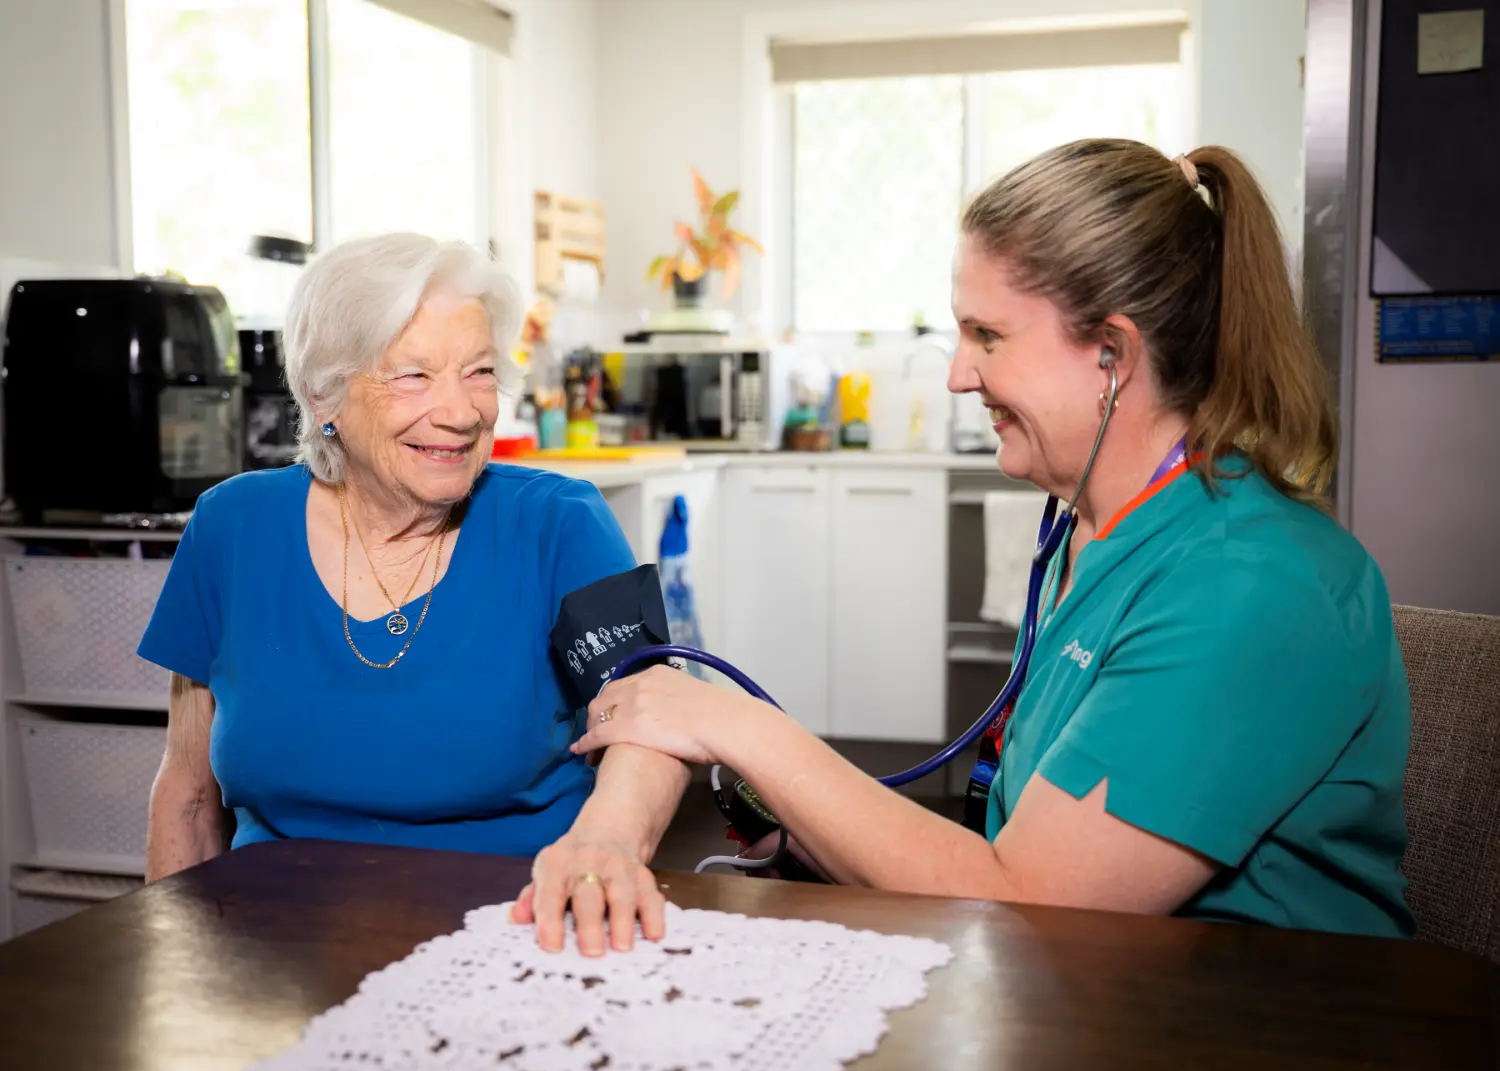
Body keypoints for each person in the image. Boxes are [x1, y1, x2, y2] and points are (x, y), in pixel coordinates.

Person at [562, 140, 1415, 938]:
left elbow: (1038, 907)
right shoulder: (1097, 534)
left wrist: (738, 726)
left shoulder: (1252, 585)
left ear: (1112, 354)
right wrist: (813, 836)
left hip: (1264, 1041)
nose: (959, 373)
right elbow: (1026, 850)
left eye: (989, 336)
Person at [139, 233, 688, 956]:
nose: (461, 412)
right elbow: (186, 789)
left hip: (518, 934)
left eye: (479, 371)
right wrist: (172, 969)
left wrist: (608, 841)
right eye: (414, 376)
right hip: (274, 952)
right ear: (323, 394)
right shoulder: (230, 529)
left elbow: (654, 724)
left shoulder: (562, 524)